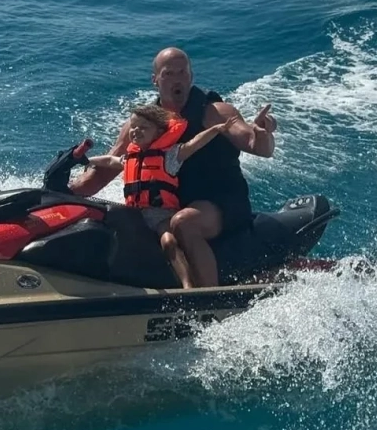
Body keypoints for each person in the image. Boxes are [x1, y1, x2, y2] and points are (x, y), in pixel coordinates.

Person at [70, 47, 277, 287]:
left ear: (191, 76)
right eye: (169, 74)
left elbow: (257, 146)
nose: (177, 79)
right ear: (155, 80)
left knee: (183, 223)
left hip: (222, 202)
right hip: (172, 206)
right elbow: (106, 168)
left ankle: (207, 296)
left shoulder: (214, 113)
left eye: (183, 72)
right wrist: (64, 192)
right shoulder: (141, 126)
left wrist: (262, 133)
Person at [87, 104, 239, 288]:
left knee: (168, 241)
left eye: (143, 127)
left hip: (161, 216)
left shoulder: (169, 156)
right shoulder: (130, 158)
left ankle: (187, 285)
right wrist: (85, 160)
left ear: (158, 132)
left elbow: (194, 144)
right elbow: (110, 160)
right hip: (135, 216)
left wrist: (216, 129)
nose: (136, 131)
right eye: (133, 127)